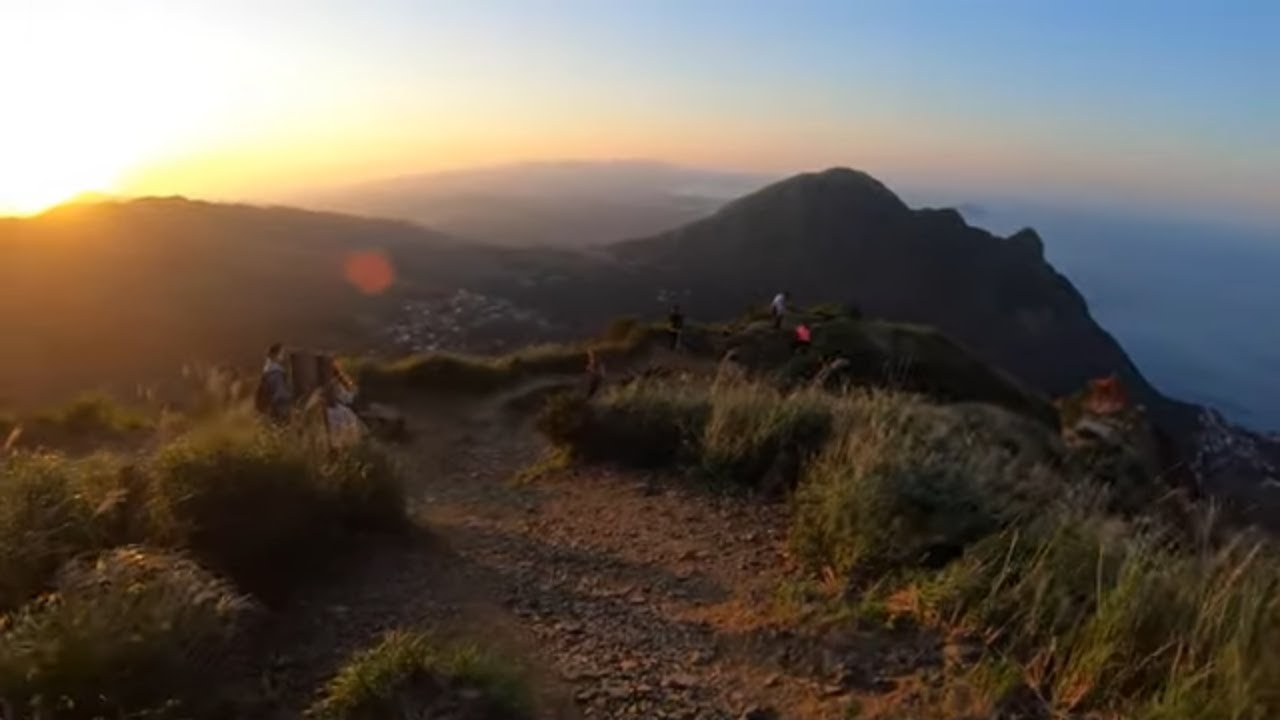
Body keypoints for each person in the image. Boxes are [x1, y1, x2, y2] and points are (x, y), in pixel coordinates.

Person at [255, 343, 292, 423]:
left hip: (268, 408)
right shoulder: (276, 372)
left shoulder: (267, 370)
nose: (283, 356)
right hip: (278, 410)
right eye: (282, 353)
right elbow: (280, 393)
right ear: (276, 355)